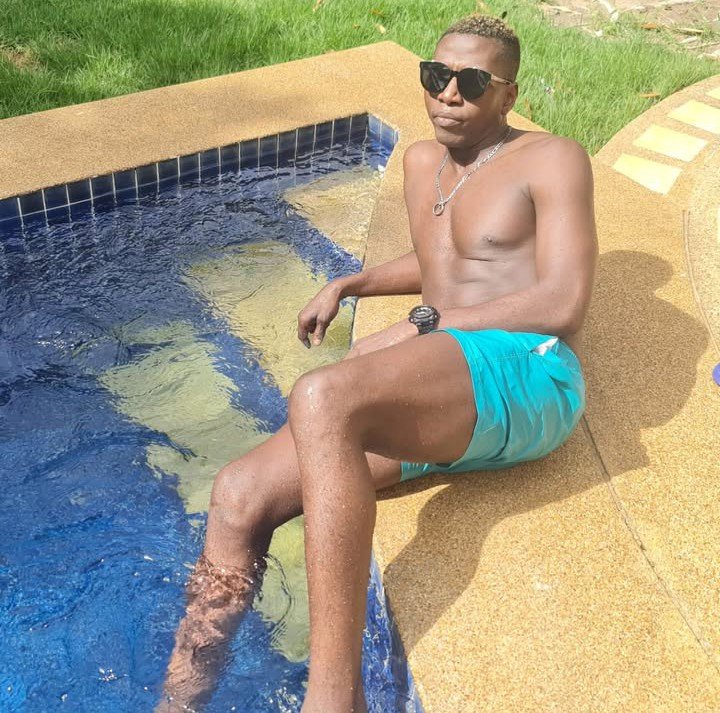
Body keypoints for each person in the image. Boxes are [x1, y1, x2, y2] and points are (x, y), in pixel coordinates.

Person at [157, 12, 597, 713]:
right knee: (239, 494)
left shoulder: (553, 159)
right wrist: (352, 283)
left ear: (508, 95)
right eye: (437, 75)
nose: (449, 93)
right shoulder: (423, 163)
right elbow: (447, 259)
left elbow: (564, 301)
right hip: (447, 381)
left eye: (472, 82)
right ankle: (179, 701)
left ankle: (337, 699)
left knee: (324, 396)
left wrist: (420, 326)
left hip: (528, 369)